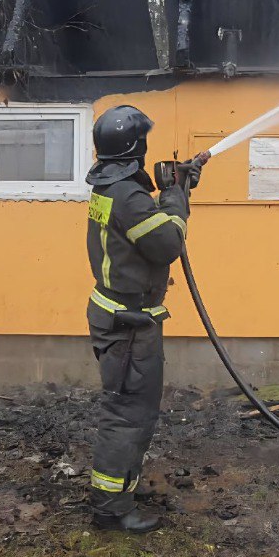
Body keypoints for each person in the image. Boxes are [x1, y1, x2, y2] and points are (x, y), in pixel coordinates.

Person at [84, 105, 201, 534]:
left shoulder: (112, 189)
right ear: (136, 146)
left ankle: (120, 491)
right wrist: (174, 196)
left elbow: (142, 226)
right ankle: (111, 509)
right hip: (128, 325)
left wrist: (176, 187)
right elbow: (167, 242)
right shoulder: (129, 199)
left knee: (136, 410)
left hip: (125, 317)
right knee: (128, 414)